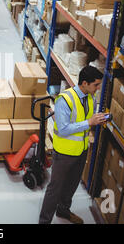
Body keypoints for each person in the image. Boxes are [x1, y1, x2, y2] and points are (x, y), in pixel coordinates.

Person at [39, 66, 108, 224]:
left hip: (81, 150)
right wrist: (89, 122)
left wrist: (97, 119)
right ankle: (44, 221)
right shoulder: (65, 99)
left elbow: (84, 120)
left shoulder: (90, 97)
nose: (98, 88)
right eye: (96, 85)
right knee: (54, 189)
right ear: (84, 83)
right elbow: (63, 130)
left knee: (71, 185)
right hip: (64, 153)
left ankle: (63, 211)